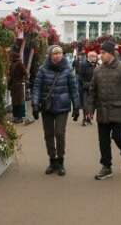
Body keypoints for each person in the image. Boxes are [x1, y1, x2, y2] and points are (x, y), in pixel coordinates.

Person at [85, 41, 121, 180]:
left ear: (111, 53)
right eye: (100, 52)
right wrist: (89, 108)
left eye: (103, 53)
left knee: (118, 136)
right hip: (102, 110)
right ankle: (106, 166)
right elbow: (92, 91)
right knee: (103, 141)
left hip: (119, 110)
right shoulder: (97, 70)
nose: (101, 55)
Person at [32, 45, 81, 176]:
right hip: (47, 106)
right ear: (50, 55)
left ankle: (60, 161)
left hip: (62, 106)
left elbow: (74, 89)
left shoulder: (68, 70)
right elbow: (37, 88)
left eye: (59, 53)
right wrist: (35, 105)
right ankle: (52, 160)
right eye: (54, 53)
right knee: (48, 134)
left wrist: (76, 106)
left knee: (59, 133)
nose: (57, 55)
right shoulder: (42, 70)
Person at [77, 51, 98, 126]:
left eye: (95, 57)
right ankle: (85, 118)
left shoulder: (97, 65)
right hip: (86, 88)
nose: (95, 58)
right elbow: (80, 76)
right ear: (89, 57)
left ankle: (89, 117)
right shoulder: (83, 65)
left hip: (95, 88)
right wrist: (85, 84)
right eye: (93, 56)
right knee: (86, 104)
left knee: (92, 104)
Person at [8, 43, 28, 124]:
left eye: (11, 56)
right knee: (15, 102)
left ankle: (19, 117)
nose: (10, 57)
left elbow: (25, 72)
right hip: (14, 85)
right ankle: (16, 116)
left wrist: (24, 80)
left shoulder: (19, 63)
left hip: (18, 85)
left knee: (19, 102)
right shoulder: (13, 64)